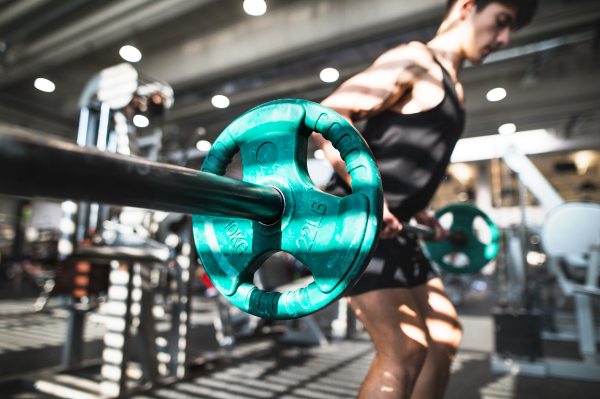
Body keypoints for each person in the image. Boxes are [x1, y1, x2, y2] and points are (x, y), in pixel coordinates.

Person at [312, 1, 537, 398]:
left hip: (394, 226)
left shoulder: (456, 87)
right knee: (404, 348)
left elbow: (407, 154)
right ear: (467, 7)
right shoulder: (415, 59)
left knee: (443, 334)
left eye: (510, 31)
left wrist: (420, 209)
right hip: (352, 217)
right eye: (501, 22)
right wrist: (368, 191)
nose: (503, 40)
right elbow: (329, 116)